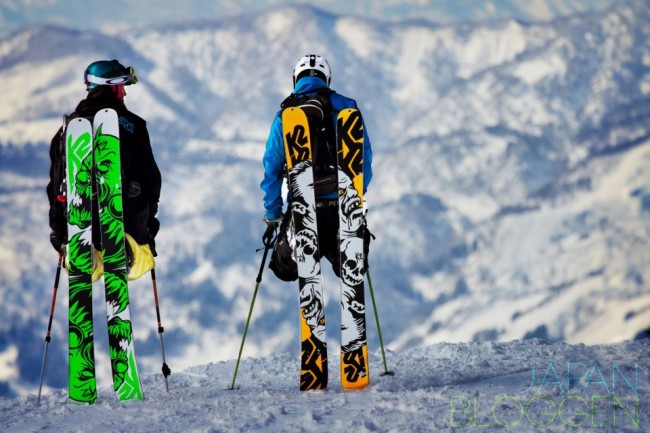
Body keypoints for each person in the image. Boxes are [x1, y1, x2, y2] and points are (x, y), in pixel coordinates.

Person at [260, 54, 373, 280]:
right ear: (327, 79)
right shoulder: (349, 108)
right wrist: (356, 200)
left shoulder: (285, 115)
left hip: (305, 208)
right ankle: (346, 239)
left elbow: (272, 170)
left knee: (284, 270)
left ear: (295, 79)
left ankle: (296, 237)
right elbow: (364, 162)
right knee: (350, 268)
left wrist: (273, 215)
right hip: (343, 207)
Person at [46, 59, 161, 280]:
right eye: (122, 87)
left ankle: (79, 255)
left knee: (83, 267)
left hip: (77, 220)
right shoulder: (133, 126)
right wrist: (149, 221)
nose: (124, 94)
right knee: (143, 261)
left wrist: (59, 233)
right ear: (113, 86)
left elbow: (56, 186)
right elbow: (151, 180)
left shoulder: (66, 131)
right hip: (125, 221)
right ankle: (127, 251)